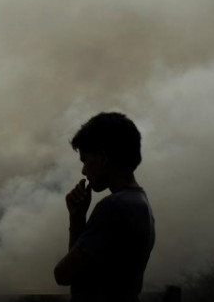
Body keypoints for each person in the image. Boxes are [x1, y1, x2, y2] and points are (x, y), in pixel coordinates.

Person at [54, 112, 155, 302]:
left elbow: (63, 275)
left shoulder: (114, 207)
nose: (83, 170)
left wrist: (76, 222)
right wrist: (78, 216)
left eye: (85, 160)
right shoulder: (140, 202)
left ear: (102, 157)